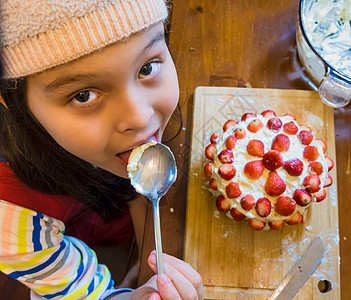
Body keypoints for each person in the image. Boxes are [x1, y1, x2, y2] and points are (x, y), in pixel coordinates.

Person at [0, 0, 203, 299]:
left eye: (147, 67)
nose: (140, 117)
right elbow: (83, 292)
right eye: (83, 96)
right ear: (11, 101)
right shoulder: (12, 224)